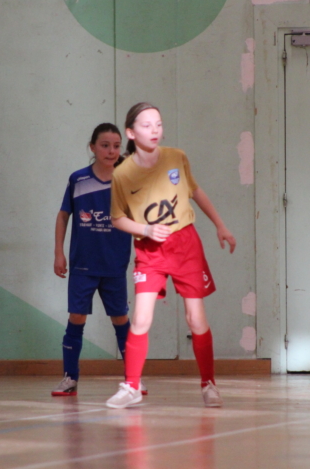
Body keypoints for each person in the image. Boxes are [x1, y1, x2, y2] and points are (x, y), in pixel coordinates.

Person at [105, 102, 236, 409]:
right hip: (150, 249)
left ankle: (208, 384)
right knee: (141, 318)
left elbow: (196, 191)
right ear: (131, 133)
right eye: (146, 125)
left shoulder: (177, 157)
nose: (154, 130)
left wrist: (220, 225)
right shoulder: (122, 174)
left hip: (185, 244)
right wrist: (146, 230)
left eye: (158, 124)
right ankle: (131, 387)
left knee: (196, 318)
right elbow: (117, 218)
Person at [52, 122, 144, 397]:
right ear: (92, 147)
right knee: (76, 317)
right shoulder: (78, 179)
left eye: (116, 146)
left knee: (120, 319)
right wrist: (58, 252)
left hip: (115, 264)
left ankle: (134, 379)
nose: (111, 151)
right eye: (105, 145)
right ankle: (69, 378)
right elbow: (63, 216)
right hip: (83, 264)